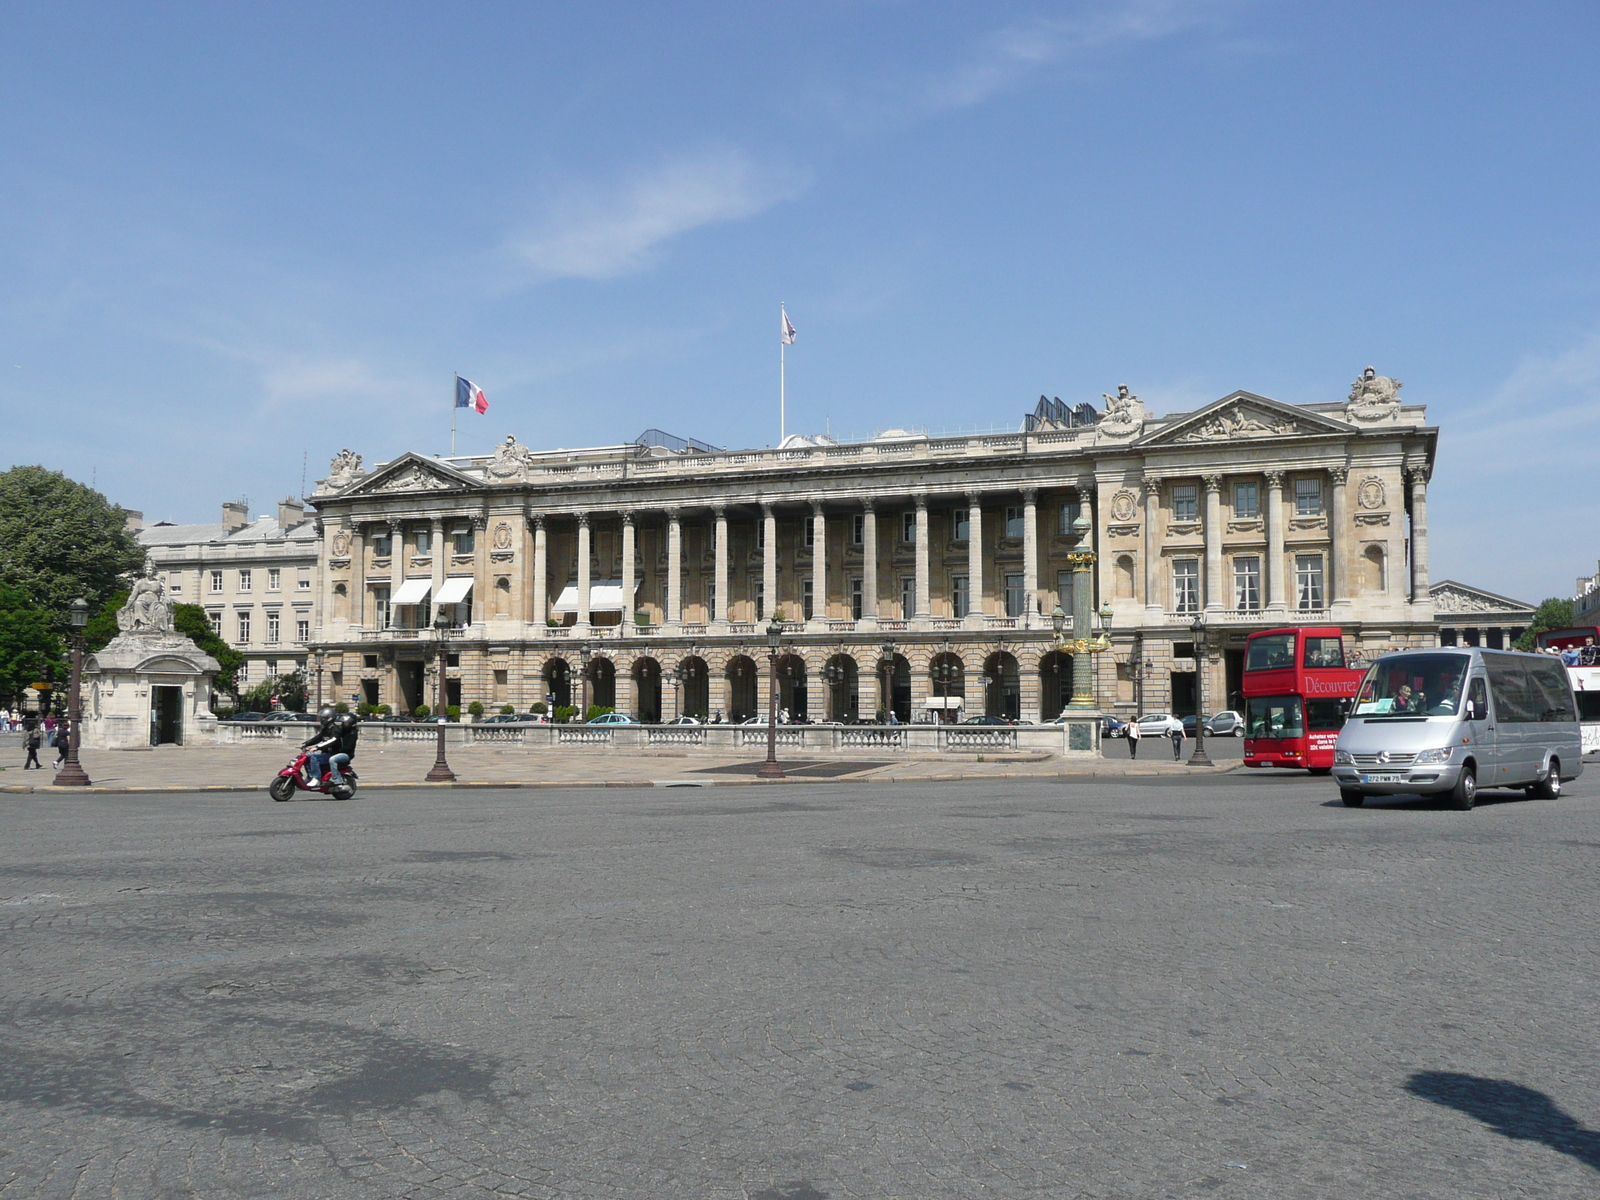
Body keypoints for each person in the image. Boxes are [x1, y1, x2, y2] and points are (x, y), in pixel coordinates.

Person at [300, 705, 340, 787]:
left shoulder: (335, 729)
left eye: (324, 718)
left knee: (314, 757)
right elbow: (318, 738)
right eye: (321, 718)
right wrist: (306, 743)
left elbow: (332, 741)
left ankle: (316, 778)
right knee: (307, 757)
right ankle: (310, 776)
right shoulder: (325, 729)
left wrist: (317, 748)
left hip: (333, 754)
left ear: (330, 718)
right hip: (325, 753)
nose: (322, 720)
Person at [326, 712, 360, 791]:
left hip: (347, 754)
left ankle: (336, 779)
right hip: (338, 752)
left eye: (346, 723)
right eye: (343, 722)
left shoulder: (353, 733)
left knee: (333, 759)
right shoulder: (341, 730)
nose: (344, 724)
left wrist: (337, 750)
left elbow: (349, 747)